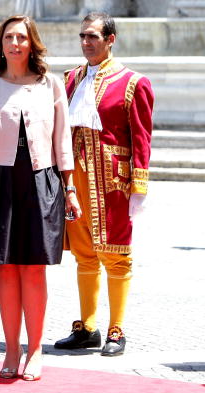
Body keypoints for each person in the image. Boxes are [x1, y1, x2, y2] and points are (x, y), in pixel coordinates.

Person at [0, 15, 81, 381]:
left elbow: (63, 140)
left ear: (32, 43)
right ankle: (11, 349)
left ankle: (36, 351)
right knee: (6, 268)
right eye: (8, 37)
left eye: (21, 37)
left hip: (41, 180)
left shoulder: (52, 84)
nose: (15, 43)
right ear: (0, 44)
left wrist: (71, 188)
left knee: (33, 270)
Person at [54, 12, 154, 357]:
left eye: (93, 36)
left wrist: (139, 186)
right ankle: (88, 326)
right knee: (84, 255)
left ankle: (117, 329)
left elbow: (142, 137)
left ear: (110, 40)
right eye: (83, 36)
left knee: (117, 256)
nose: (86, 42)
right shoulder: (70, 79)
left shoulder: (132, 82)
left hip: (112, 180)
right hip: (76, 179)